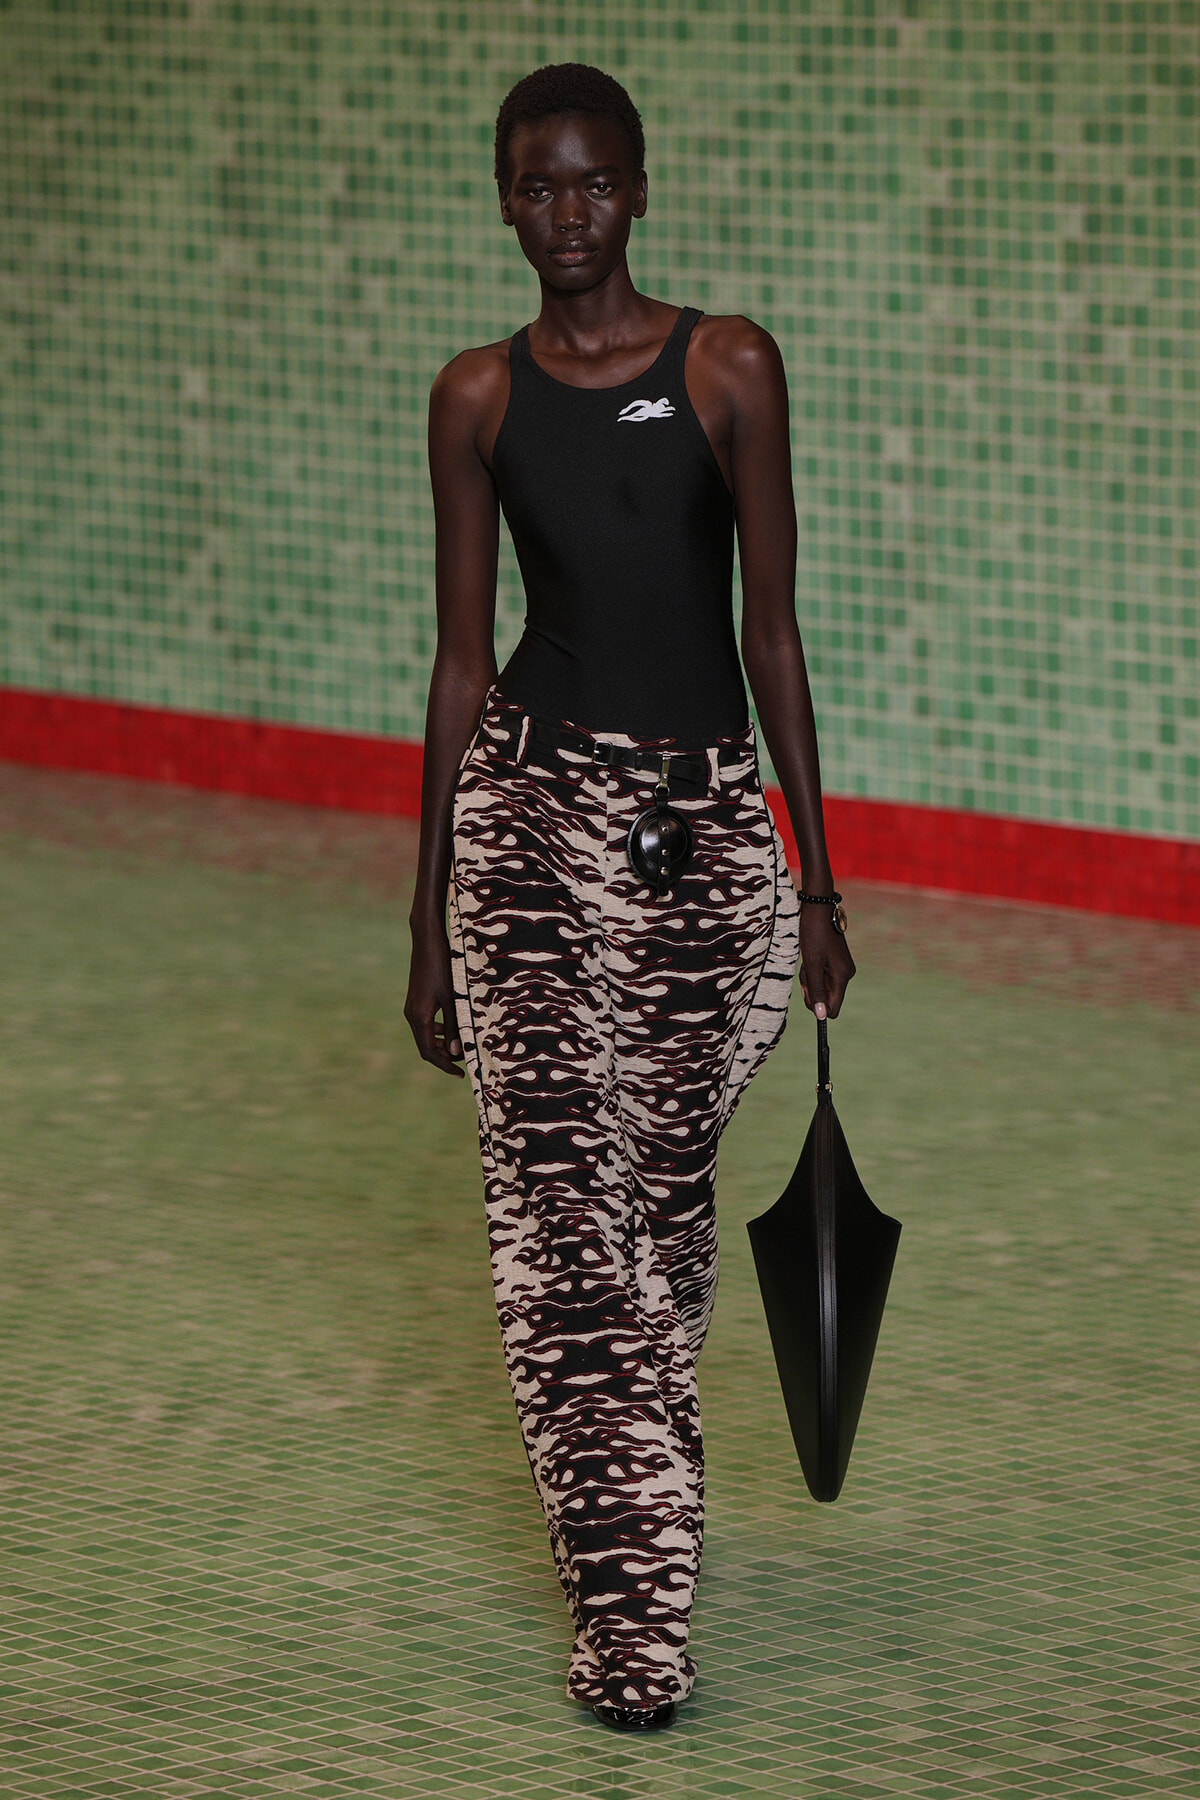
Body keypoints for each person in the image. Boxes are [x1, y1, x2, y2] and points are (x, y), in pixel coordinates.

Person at [405, 62, 854, 1732]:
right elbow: (461, 667)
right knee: (559, 1230)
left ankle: (641, 1507)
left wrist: (817, 881)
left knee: (658, 1216)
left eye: (595, 181)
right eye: (538, 185)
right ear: (503, 202)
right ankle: (632, 1617)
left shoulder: (728, 365)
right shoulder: (476, 396)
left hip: (703, 839)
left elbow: (770, 633)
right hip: (527, 813)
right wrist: (427, 916)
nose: (568, 213)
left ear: (641, 190)